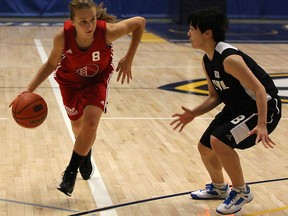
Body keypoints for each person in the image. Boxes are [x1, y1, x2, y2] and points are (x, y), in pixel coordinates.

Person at [10, 0, 145, 196]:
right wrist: (28, 89)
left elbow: (140, 22)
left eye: (92, 20)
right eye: (83, 21)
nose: (89, 26)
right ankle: (85, 152)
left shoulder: (107, 31)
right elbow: (50, 64)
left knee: (90, 123)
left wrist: (129, 57)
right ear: (72, 22)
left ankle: (70, 173)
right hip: (69, 82)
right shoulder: (62, 38)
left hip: (97, 80)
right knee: (78, 127)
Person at [170, 9, 281, 215]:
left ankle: (241, 191)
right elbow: (215, 96)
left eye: (192, 29)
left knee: (219, 141)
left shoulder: (229, 59)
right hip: (238, 107)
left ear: (207, 33)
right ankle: (219, 188)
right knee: (205, 146)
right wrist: (193, 113)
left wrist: (263, 124)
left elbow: (260, 90)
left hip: (263, 107)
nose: (187, 33)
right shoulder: (207, 60)